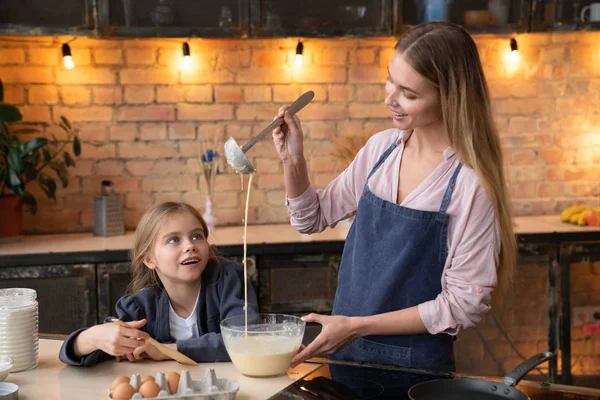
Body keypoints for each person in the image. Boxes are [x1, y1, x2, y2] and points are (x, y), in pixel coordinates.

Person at [272, 22, 516, 372]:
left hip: (415, 373)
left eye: (409, 94)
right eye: (390, 80)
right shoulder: (381, 150)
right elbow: (310, 218)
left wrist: (357, 326)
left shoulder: (470, 185)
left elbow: (463, 305)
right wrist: (292, 158)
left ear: (450, 97)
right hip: (346, 358)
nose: (390, 99)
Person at [59, 201, 258, 366]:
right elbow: (90, 352)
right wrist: (91, 338)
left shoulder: (228, 279)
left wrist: (167, 350)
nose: (190, 246)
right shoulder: (139, 308)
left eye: (197, 236)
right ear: (149, 260)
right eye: (173, 240)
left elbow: (244, 339)